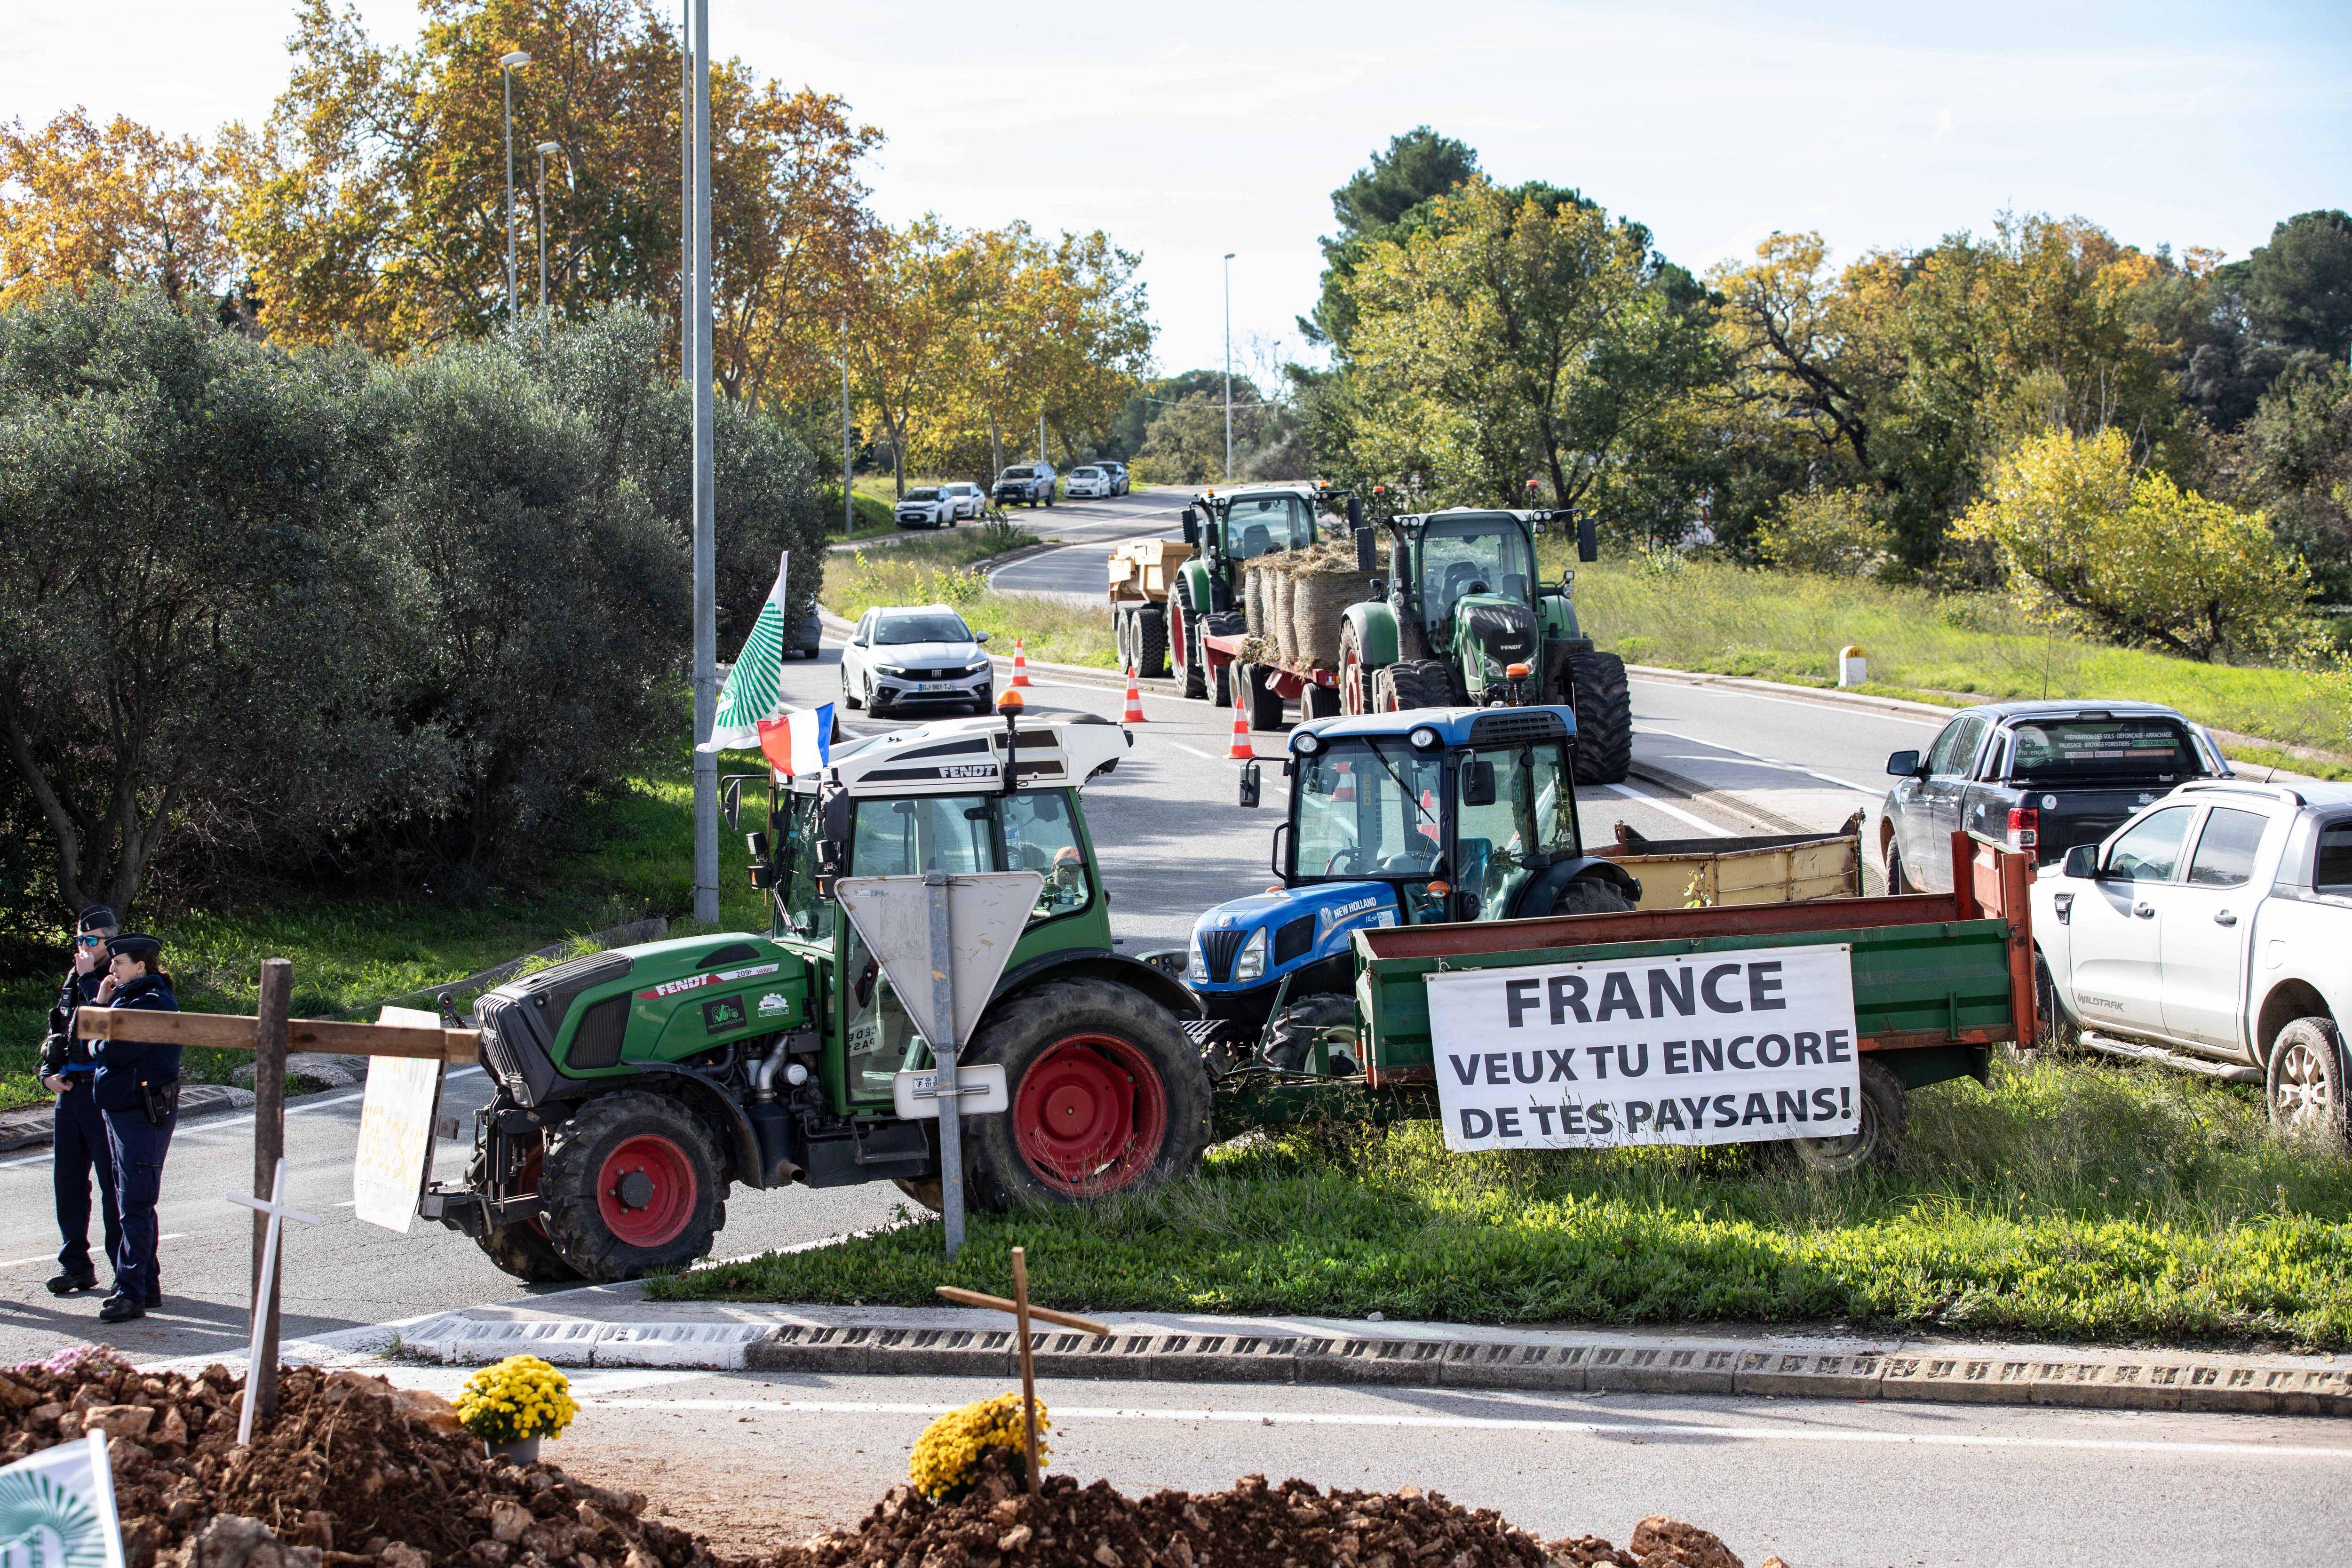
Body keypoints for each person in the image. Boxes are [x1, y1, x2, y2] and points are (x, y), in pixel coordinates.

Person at [89, 932, 179, 1324]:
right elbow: (93, 1040)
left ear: (141, 965)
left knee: (135, 1204)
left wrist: (97, 1024)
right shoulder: (127, 998)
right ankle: (147, 1284)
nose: (112, 969)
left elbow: (108, 1049)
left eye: (119, 962)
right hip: (122, 1109)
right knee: (132, 1199)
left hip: (142, 1114)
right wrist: (101, 1009)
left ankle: (132, 1293)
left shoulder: (151, 1002)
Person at [41, 907, 122, 1296]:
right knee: (68, 1184)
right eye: (79, 941)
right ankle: (75, 1266)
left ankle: (126, 1271)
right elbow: (59, 1026)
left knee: (112, 1184)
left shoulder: (118, 973)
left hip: (101, 1091)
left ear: (109, 940)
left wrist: (91, 976)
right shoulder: (76, 975)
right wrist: (47, 1073)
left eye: (92, 940)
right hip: (70, 1090)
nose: (84, 947)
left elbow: (103, 1019)